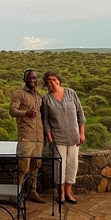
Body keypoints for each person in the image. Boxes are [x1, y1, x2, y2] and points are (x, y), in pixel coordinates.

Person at [41, 71, 85, 204]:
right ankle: (60, 193)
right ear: (46, 84)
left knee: (73, 164)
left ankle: (68, 192)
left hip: (73, 136)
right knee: (59, 165)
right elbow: (46, 121)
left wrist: (81, 133)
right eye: (49, 81)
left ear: (59, 80)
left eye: (54, 80)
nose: (52, 83)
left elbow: (80, 114)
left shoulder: (71, 93)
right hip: (57, 137)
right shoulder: (46, 99)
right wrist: (50, 138)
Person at [9, 69, 46, 203]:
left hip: (38, 138)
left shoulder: (39, 96)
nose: (31, 81)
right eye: (29, 78)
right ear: (24, 79)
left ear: (37, 80)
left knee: (35, 166)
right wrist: (25, 113)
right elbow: (12, 111)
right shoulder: (19, 94)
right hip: (26, 137)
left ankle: (32, 192)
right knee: (22, 168)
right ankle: (15, 195)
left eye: (34, 78)